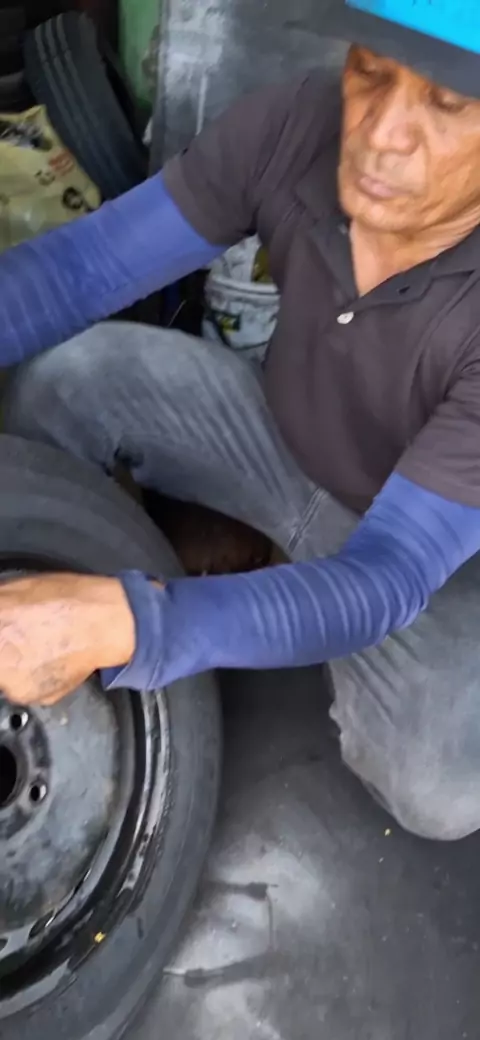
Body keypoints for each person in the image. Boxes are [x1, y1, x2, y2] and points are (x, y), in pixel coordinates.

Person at [1, 0, 480, 841]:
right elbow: (83, 268)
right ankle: (217, 577)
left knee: (437, 782)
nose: (381, 134)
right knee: (70, 380)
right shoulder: (297, 124)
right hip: (279, 440)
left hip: (427, 558)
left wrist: (131, 623)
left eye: (447, 104)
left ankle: (250, 600)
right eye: (371, 72)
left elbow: (389, 572)